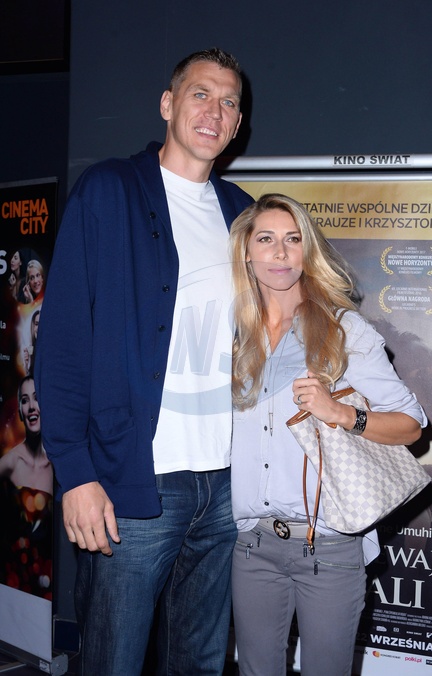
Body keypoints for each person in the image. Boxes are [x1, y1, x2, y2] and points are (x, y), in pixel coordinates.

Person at [35, 48, 253, 675]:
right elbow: (64, 342)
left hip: (225, 487)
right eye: (200, 94)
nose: (214, 111)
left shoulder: (242, 213)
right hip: (133, 485)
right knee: (114, 663)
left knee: (200, 664)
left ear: (238, 124)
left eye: (229, 102)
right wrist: (75, 473)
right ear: (167, 103)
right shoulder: (109, 190)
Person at [228, 194, 427, 676]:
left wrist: (339, 412)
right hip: (252, 545)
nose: (280, 252)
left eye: (293, 239)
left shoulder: (343, 329)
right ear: (247, 253)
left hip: (330, 547)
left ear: (307, 251)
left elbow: (411, 424)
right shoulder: (234, 335)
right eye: (266, 239)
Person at [0, 376, 53, 597]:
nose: (31, 406)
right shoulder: (11, 462)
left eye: (36, 398)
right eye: (24, 400)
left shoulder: (58, 462)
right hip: (12, 585)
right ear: (21, 411)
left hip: (48, 588)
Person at [23, 309, 40, 375]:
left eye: (41, 324)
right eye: (36, 324)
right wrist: (26, 365)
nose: (39, 328)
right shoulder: (31, 349)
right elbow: (28, 376)